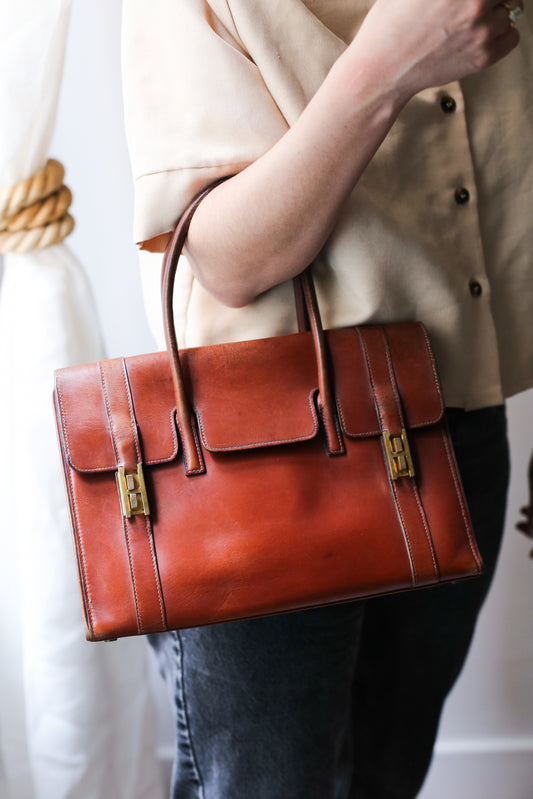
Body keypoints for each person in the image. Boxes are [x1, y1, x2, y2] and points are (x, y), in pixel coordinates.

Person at [121, 1, 533, 797]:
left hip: (459, 419)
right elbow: (227, 260)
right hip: (265, 456)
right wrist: (387, 66)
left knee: (385, 772)